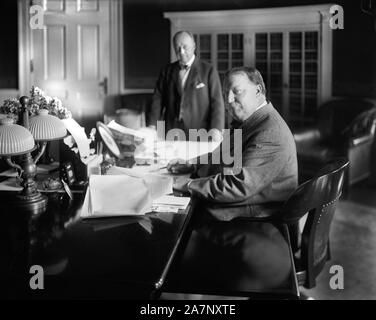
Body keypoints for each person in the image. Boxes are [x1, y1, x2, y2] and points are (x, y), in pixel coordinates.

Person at [165, 67, 299, 292]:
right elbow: (223, 153)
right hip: (248, 205)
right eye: (226, 92)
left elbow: (237, 186)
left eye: (236, 91)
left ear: (258, 90)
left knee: (175, 224)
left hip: (254, 220)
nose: (228, 99)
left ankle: (177, 283)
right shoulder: (254, 120)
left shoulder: (270, 132)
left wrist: (188, 185)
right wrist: (193, 163)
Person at [149, 31, 225, 140]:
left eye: (185, 47)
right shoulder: (166, 71)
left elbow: (217, 103)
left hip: (200, 131)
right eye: (178, 48)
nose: (182, 51)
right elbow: (158, 99)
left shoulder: (208, 70)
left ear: (194, 46)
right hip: (171, 131)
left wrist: (216, 129)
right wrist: (152, 125)